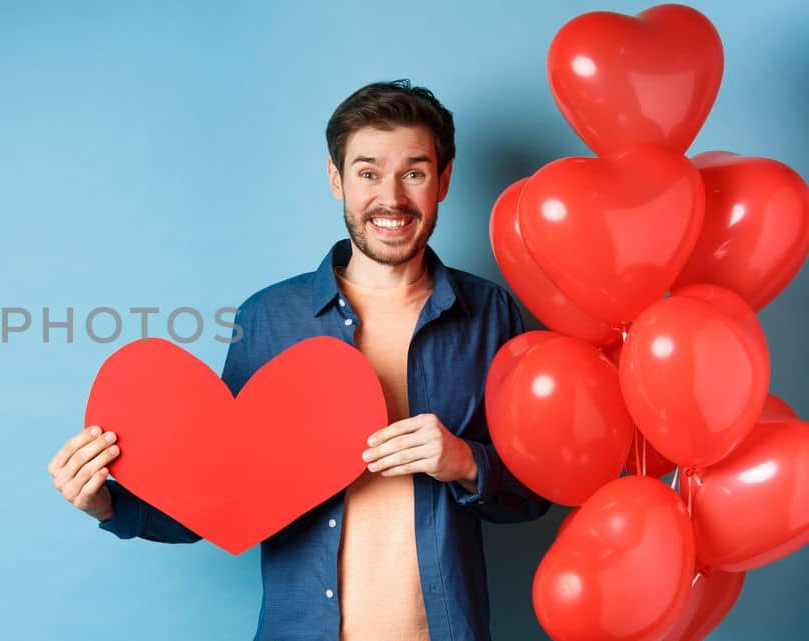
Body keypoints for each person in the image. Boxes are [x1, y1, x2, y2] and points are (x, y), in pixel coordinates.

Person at [46, 80, 550, 641]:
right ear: (336, 180)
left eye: (414, 172)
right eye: (367, 173)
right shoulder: (267, 318)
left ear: (445, 179)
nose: (392, 198)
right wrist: (106, 503)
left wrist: (465, 461)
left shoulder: (490, 314)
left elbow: (531, 495)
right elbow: (217, 494)